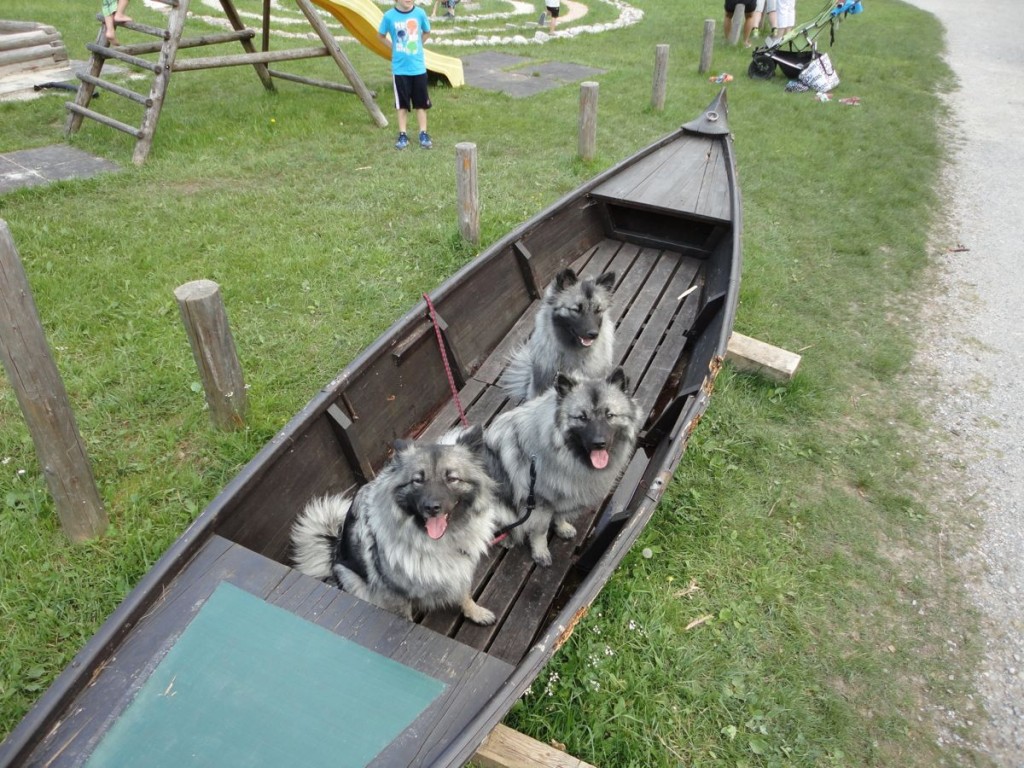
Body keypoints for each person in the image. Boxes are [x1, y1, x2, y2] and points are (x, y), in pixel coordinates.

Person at [378, 0, 432, 150]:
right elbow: (380, 36)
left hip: (418, 68)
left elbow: (427, 32)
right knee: (402, 104)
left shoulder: (420, 13)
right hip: (400, 69)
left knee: (421, 103)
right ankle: (403, 134)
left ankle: (423, 133)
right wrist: (393, 47)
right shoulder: (389, 16)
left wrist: (419, 44)